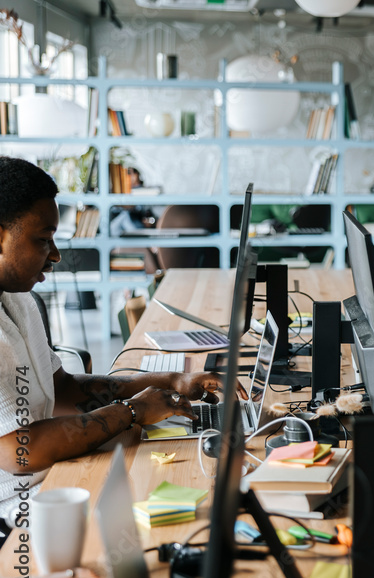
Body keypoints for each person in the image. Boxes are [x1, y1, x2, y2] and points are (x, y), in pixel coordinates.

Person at [0, 157, 246, 534]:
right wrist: (130, 411)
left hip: (57, 477)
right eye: (42, 239)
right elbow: (21, 452)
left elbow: (63, 388)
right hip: (20, 512)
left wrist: (173, 382)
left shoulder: (16, 299)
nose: (55, 255)